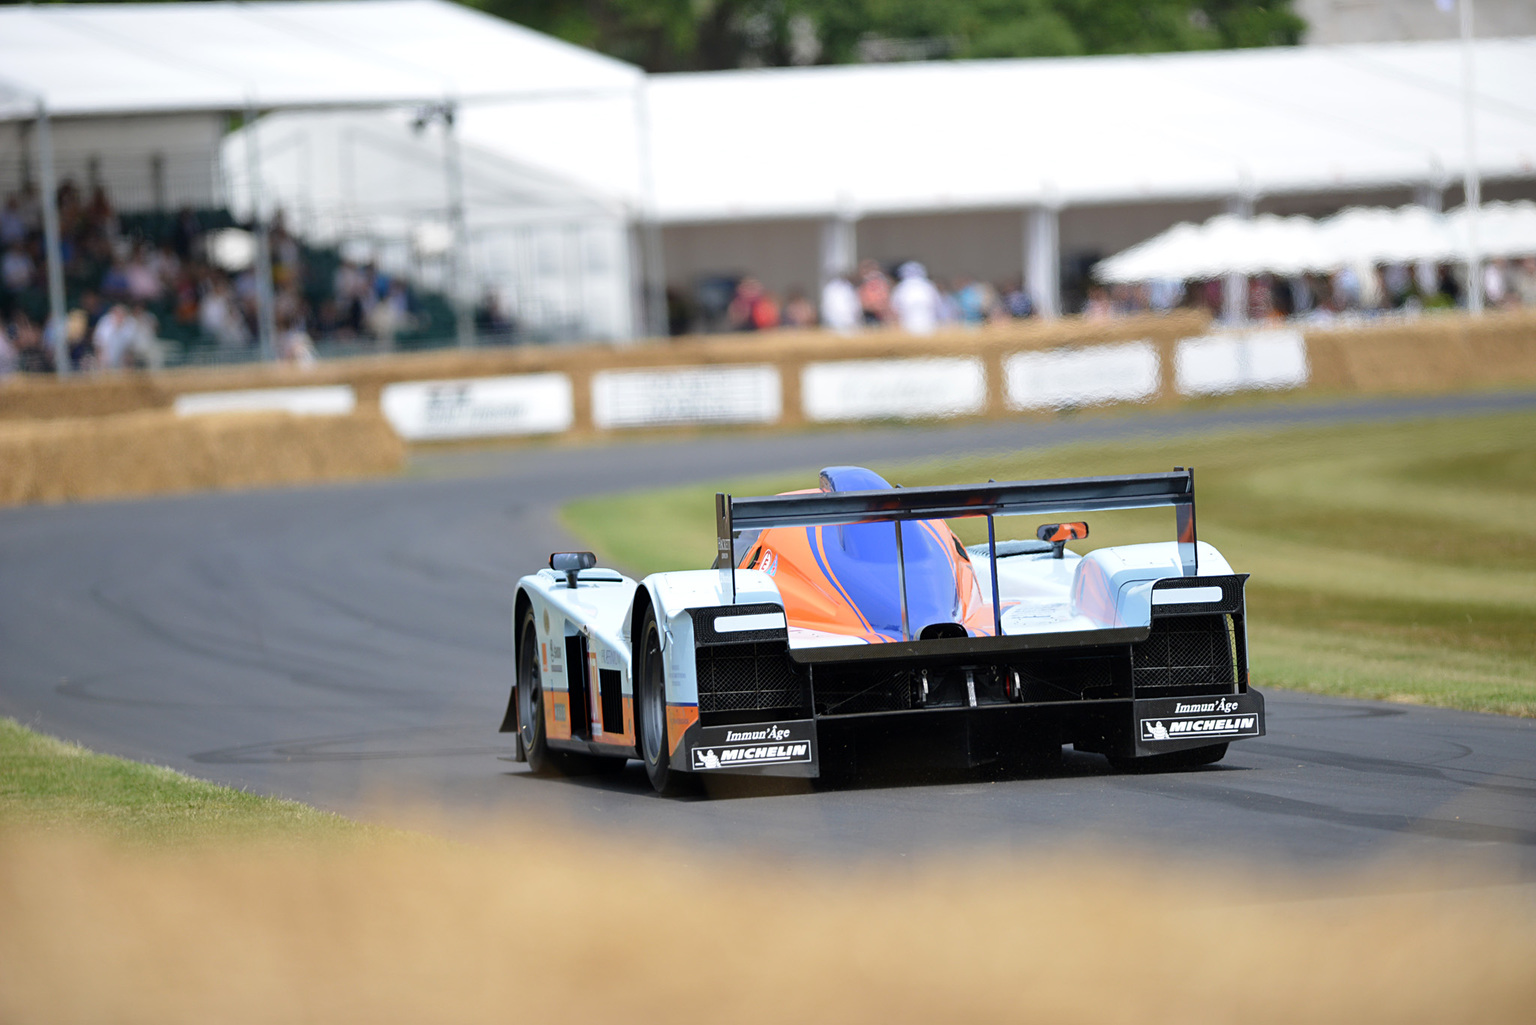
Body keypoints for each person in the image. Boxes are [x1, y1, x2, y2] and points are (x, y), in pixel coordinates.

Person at [890, 261, 940, 335]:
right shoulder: (927, 285)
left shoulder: (901, 287)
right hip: (921, 321)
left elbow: (895, 306)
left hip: (918, 320)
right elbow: (937, 303)